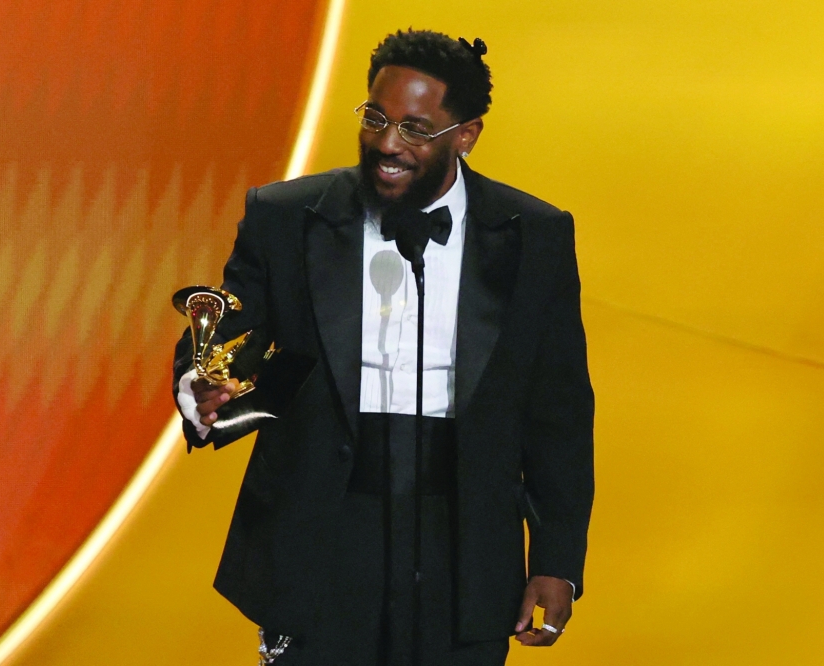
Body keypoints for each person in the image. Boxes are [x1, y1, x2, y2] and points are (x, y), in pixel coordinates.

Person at [173, 29, 594, 666]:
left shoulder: (534, 235)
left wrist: (557, 558)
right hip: (322, 532)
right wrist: (202, 389)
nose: (387, 144)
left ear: (466, 135)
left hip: (465, 543)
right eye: (375, 118)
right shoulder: (287, 216)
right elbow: (230, 331)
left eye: (415, 129)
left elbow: (558, 408)